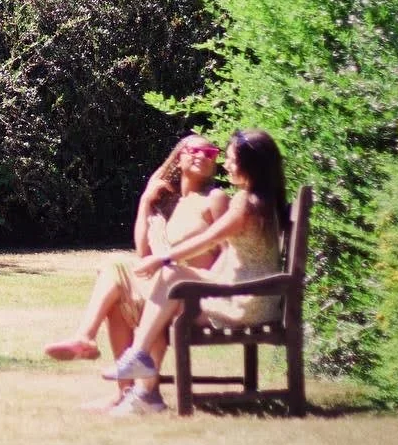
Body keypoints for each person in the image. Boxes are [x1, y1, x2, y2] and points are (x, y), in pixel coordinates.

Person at [99, 128, 287, 415]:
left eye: (232, 159)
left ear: (250, 164)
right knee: (171, 279)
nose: (226, 165)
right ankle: (140, 378)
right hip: (247, 294)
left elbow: (209, 239)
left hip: (244, 304)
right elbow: (234, 259)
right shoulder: (261, 201)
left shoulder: (244, 203)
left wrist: (161, 259)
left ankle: (142, 379)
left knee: (165, 287)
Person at [41, 134, 227, 413]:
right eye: (195, 150)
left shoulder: (214, 199)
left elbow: (229, 253)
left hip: (197, 295)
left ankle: (139, 391)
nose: (203, 155)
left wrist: (214, 285)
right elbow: (143, 253)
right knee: (115, 271)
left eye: (210, 152)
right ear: (180, 156)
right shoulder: (172, 204)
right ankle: (128, 392)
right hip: (166, 292)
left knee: (121, 278)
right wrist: (145, 202)